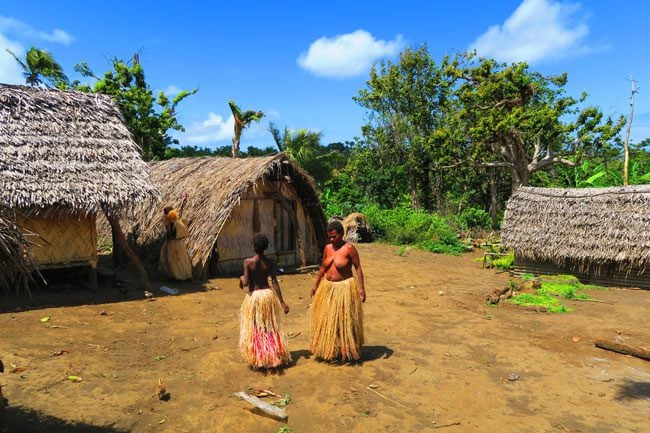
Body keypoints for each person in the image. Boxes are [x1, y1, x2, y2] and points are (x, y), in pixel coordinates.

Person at [310, 220, 366, 362]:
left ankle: (346, 349)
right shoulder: (328, 248)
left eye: (334, 236)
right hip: (327, 288)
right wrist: (316, 285)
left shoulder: (349, 249)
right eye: (329, 236)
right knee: (328, 320)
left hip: (344, 289)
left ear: (341, 234)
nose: (331, 239)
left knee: (344, 320)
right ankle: (332, 349)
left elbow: (358, 268)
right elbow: (323, 267)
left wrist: (362, 289)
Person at [239, 233, 291, 369]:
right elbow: (274, 282)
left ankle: (260, 357)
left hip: (255, 297)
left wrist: (241, 279)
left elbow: (246, 283)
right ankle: (273, 355)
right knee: (269, 326)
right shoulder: (270, 262)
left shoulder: (248, 262)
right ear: (266, 247)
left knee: (257, 327)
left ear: (254, 247)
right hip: (267, 296)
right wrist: (282, 302)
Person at [158, 194, 192, 281]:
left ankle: (178, 276)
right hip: (179, 243)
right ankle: (183, 275)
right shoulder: (176, 221)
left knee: (173, 261)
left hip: (172, 243)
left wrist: (183, 202)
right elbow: (180, 212)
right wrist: (183, 202)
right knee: (181, 260)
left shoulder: (168, 222)